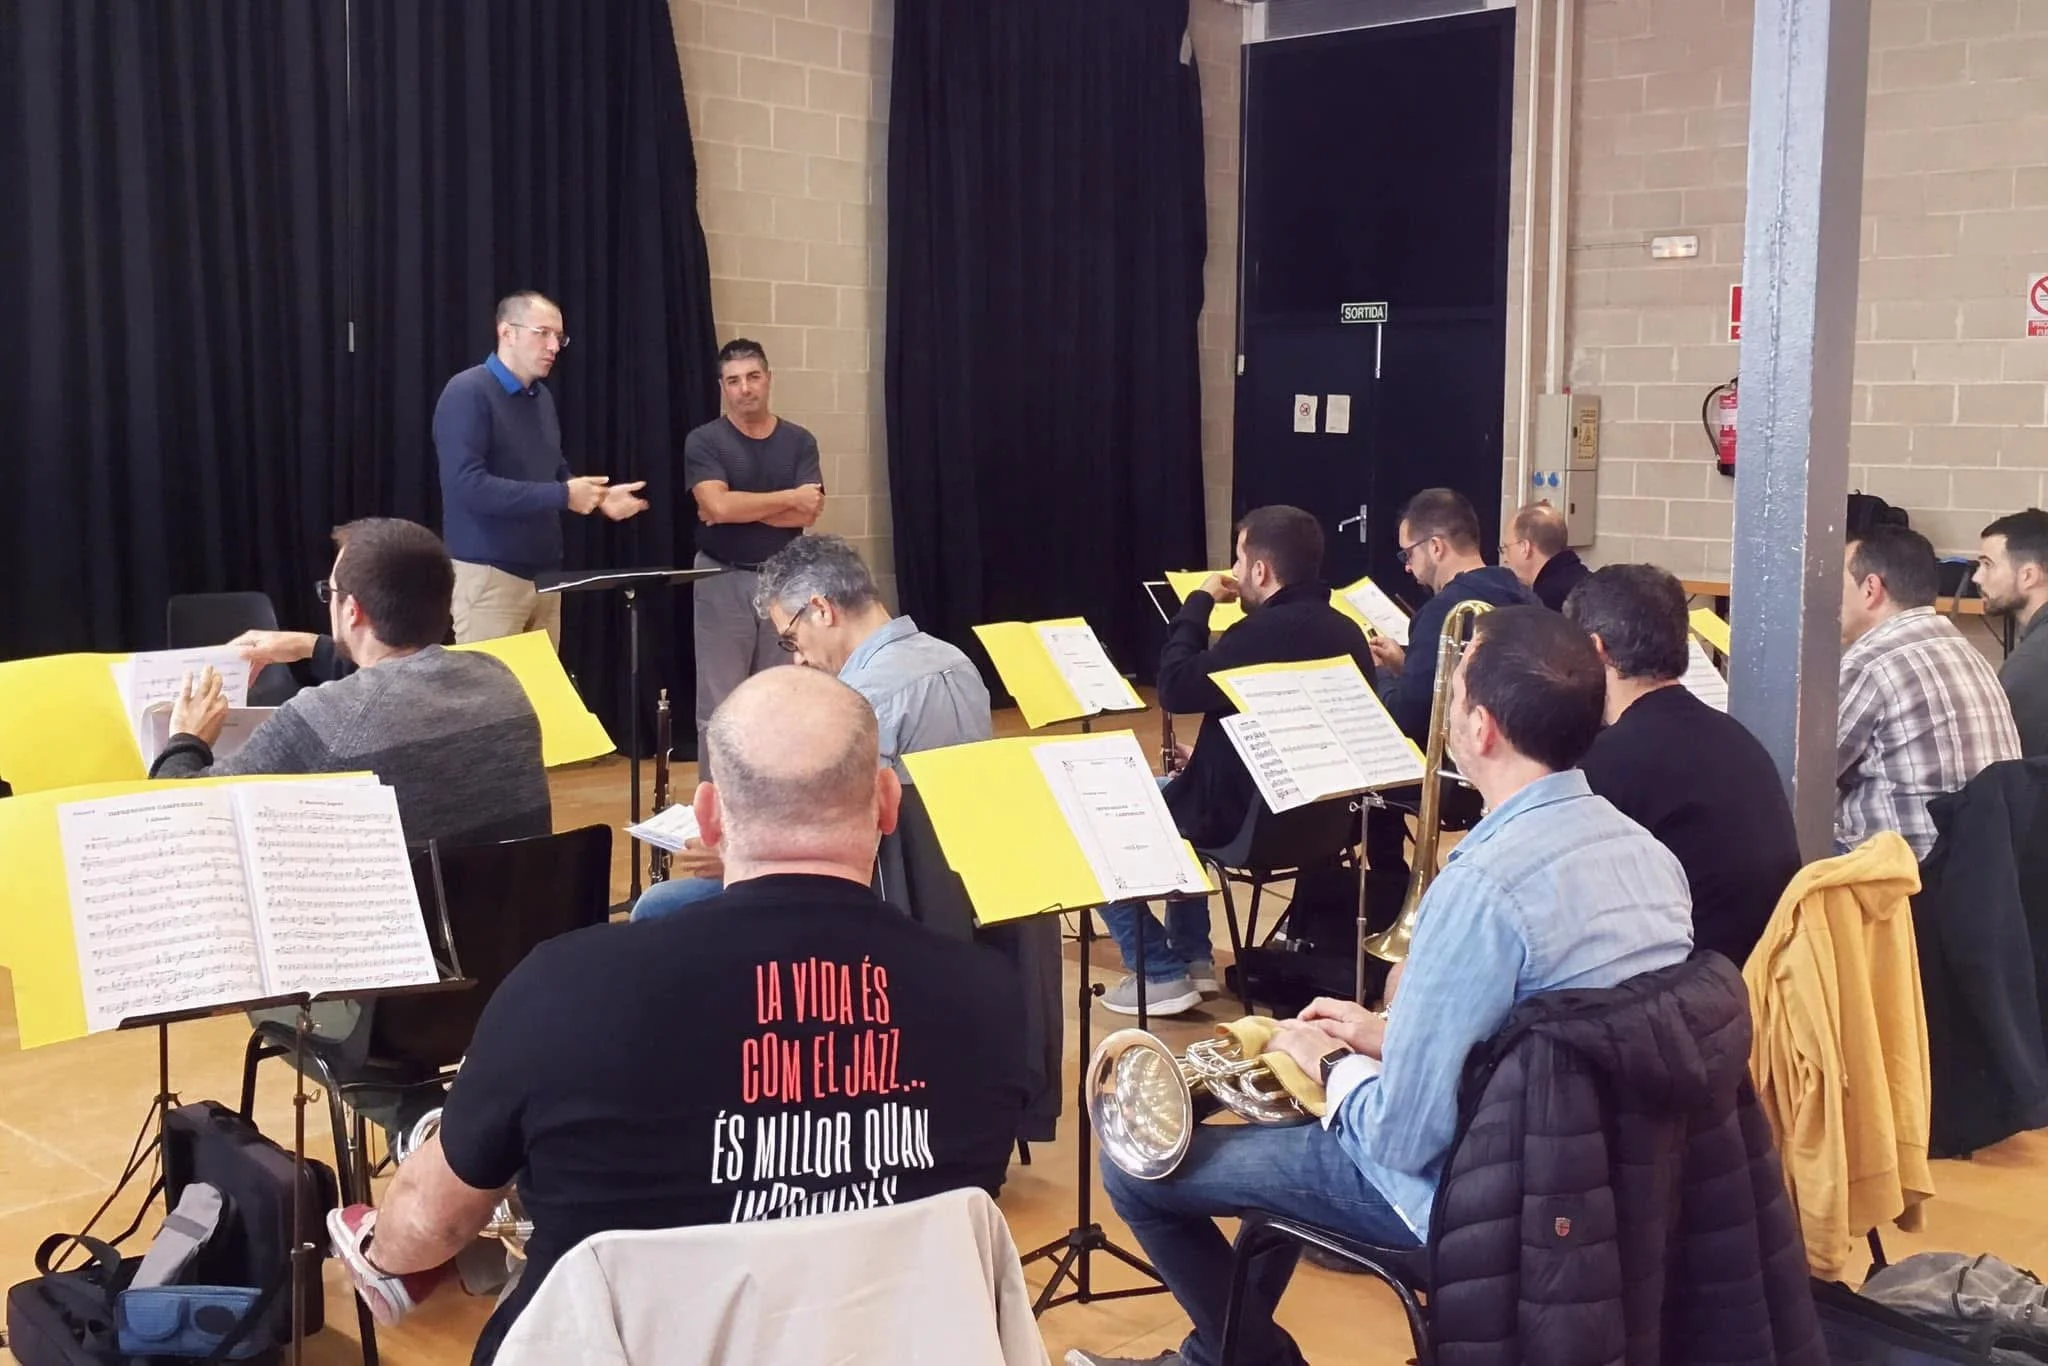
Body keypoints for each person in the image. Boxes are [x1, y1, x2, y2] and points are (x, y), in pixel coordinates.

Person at [328, 667, 1031, 1366]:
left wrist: (382, 1249)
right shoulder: (989, 997)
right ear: (885, 802)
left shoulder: (566, 985)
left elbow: (434, 1223)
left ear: (709, 817)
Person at [1068, 607, 1694, 1366]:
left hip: (1468, 1203)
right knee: (1281, 1129)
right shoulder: (1650, 858)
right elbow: (1543, 1041)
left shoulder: (1487, 891)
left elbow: (1404, 1136)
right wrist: (1388, 1036)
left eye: (1456, 696)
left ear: (1483, 731)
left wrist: (1327, 1067)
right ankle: (1220, 1354)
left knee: (1134, 1163)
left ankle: (1246, 1359)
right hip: (1596, 1186)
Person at [1098, 505, 1376, 1019]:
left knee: (1096, 821)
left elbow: (1177, 688)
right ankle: (1195, 960)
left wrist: (1198, 602)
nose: (1237, 570)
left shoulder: (1260, 635)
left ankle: (1158, 970)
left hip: (1249, 824)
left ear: (1261, 571)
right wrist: (1207, 759)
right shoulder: (1348, 634)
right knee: (1173, 792)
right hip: (1320, 824)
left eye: (1240, 558)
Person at [632, 533, 990, 920]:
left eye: (791, 641)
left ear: (821, 609)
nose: (798, 661)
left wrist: (734, 855)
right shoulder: (957, 661)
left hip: (883, 896)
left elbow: (834, 840)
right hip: (965, 885)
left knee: (659, 907)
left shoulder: (856, 701)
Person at [154, 519, 551, 849]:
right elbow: (398, 686)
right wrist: (310, 646)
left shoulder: (322, 720)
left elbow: (182, 813)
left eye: (331, 593)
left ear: (352, 610)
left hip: (404, 939)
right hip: (513, 931)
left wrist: (187, 739)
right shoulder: (499, 678)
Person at [1564, 564, 1801, 965]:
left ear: (1596, 649)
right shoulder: (1736, 738)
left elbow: (1570, 910)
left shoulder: (1609, 763)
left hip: (1694, 995)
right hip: (1765, 984)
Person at [433, 291, 648, 649]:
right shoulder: (467, 392)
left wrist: (597, 497)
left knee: (539, 699)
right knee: (491, 700)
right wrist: (564, 495)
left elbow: (552, 468)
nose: (554, 346)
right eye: (543, 333)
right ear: (507, 333)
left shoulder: (541, 398)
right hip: (490, 578)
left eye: (559, 337)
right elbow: (467, 486)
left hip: (545, 577)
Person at [1364, 488, 1535, 890]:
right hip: (1517, 763)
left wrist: (1377, 677)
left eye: (1409, 554)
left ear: (1436, 547)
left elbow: (1410, 715)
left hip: (1459, 775)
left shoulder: (1442, 611)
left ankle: (1387, 892)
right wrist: (1407, 664)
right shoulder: (1522, 593)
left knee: (1364, 777)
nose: (1408, 568)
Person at [684, 339, 825, 781]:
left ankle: (773, 797)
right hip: (720, 579)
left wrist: (735, 506)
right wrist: (785, 501)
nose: (745, 388)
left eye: (753, 377)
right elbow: (717, 509)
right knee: (720, 704)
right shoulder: (705, 440)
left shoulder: (800, 441)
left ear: (768, 379)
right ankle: (718, 803)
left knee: (779, 698)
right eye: (733, 381)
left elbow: (811, 510)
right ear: (723, 388)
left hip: (786, 584)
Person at [1839, 525, 2019, 858]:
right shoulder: (1963, 649)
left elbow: (1799, 770)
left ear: (1871, 589)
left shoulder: (1872, 661)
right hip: (1976, 872)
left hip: (1900, 876)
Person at [1973, 508, 2048, 756]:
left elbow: (2014, 769)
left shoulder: (2033, 662)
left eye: (1987, 565)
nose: (1976, 577)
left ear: (2028, 576)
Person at [1501, 500, 1589, 611]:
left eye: (1506, 548)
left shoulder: (1543, 605)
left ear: (1525, 547)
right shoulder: (1589, 582)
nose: (1505, 559)